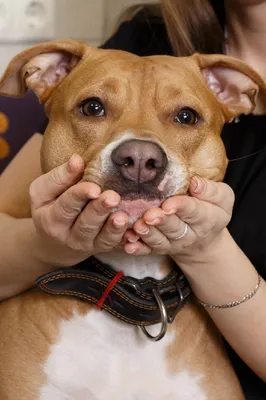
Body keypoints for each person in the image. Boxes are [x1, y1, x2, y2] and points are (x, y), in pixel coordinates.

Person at [0, 0, 265, 397]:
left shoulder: (211, 80)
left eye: (185, 117)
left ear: (236, 96)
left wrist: (204, 249)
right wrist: (51, 241)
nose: (139, 153)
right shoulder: (145, 34)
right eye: (94, 108)